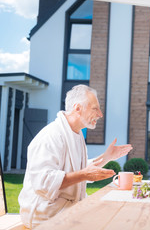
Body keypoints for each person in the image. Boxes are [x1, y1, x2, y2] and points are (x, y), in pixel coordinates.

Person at [18, 85, 133, 228]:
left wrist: (107, 157)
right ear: (78, 108)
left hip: (65, 208)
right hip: (44, 214)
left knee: (118, 212)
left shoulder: (76, 134)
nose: (100, 114)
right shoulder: (51, 135)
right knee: (112, 220)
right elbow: (44, 183)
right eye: (95, 108)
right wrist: (84, 175)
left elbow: (81, 169)